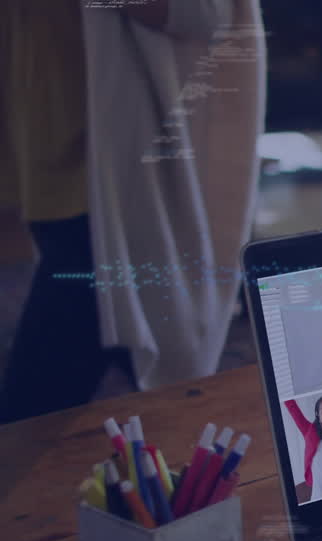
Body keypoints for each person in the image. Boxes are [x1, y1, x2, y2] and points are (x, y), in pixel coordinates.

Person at [0, 0, 264, 423]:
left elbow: (206, 12)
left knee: (26, 416)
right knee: (147, 387)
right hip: (46, 170)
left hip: (117, 192)